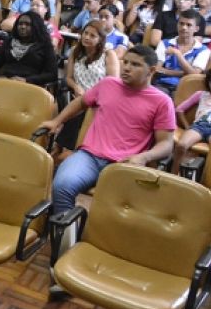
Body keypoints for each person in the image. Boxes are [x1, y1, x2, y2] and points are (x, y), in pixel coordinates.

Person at [40, 45, 175, 215]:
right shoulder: (108, 84)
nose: (127, 68)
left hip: (124, 163)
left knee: (120, 207)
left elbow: (166, 144)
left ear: (152, 70)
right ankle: (66, 228)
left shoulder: (162, 101)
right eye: (125, 62)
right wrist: (57, 121)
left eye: (135, 64)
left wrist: (144, 157)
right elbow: (81, 102)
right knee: (61, 186)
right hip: (89, 156)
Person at [59, 21, 120, 151]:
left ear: (100, 39)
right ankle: (65, 148)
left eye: (92, 36)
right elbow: (69, 78)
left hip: (100, 100)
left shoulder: (108, 54)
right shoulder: (75, 51)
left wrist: (93, 96)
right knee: (77, 107)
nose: (86, 37)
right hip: (79, 96)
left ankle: (67, 148)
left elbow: (113, 85)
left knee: (81, 110)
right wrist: (76, 87)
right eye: (85, 33)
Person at [0, 12, 58, 86]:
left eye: (27, 24)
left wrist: (27, 80)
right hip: (3, 82)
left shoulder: (45, 46)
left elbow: (52, 74)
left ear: (35, 27)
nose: (23, 27)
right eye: (20, 24)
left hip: (29, 86)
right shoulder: (9, 42)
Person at [153, 10, 209, 94]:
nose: (184, 27)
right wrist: (183, 73)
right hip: (162, 85)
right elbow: (156, 69)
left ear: (196, 29)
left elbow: (194, 74)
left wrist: (178, 54)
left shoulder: (203, 50)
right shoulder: (164, 43)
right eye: (181, 23)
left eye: (189, 25)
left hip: (186, 88)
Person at [171, 67, 211, 174]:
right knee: (181, 145)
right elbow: (179, 109)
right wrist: (186, 126)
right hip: (199, 126)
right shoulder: (201, 94)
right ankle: (174, 174)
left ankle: (206, 180)